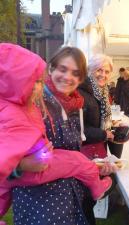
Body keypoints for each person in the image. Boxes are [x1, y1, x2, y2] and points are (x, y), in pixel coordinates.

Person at [0, 44, 113, 217]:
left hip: (75, 199)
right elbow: (6, 157)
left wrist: (93, 165)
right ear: (50, 69)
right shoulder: (29, 100)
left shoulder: (77, 104)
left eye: (76, 73)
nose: (68, 77)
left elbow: (76, 148)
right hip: (40, 206)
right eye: (63, 69)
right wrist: (21, 166)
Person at [79, 54, 124, 159]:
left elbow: (99, 119)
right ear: (90, 70)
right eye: (99, 70)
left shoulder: (103, 92)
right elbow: (78, 128)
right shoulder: (81, 92)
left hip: (99, 150)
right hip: (85, 153)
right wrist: (103, 134)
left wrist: (112, 125)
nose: (103, 75)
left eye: (107, 72)